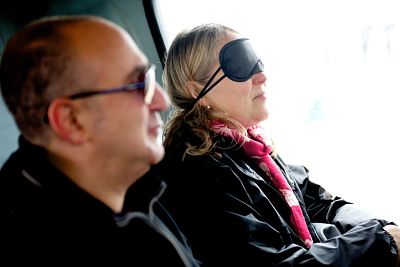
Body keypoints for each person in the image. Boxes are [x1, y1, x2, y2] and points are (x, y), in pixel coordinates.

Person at [141, 23, 400, 266]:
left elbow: (321, 204)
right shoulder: (197, 172)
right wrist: (381, 240)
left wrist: (384, 230)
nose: (261, 75)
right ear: (198, 90)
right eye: (240, 64)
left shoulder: (254, 152)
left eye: (257, 62)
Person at [0, 15, 199, 266]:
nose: (162, 101)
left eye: (149, 76)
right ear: (72, 121)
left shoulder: (136, 184)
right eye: (140, 84)